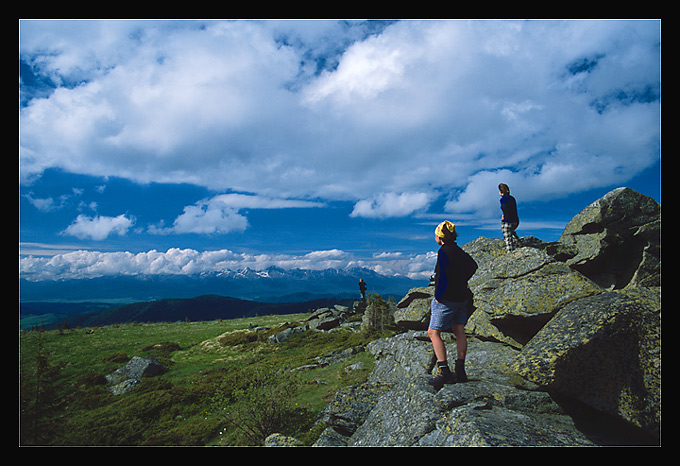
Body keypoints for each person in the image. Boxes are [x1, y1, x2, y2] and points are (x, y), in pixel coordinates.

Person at [428, 220, 478, 389]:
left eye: (436, 234)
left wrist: (440, 295)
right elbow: (473, 266)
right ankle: (460, 369)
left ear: (440, 236)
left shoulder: (444, 251)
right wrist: (461, 280)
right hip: (462, 297)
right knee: (459, 330)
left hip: (447, 299)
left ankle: (444, 370)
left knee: (433, 332)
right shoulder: (458, 250)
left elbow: (443, 276)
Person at [499, 183, 520, 252]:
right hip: (515, 221)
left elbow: (504, 207)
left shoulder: (503, 199)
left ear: (501, 192)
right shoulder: (512, 198)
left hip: (507, 221)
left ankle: (510, 252)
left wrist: (504, 215)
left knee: (508, 240)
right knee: (511, 231)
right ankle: (519, 242)